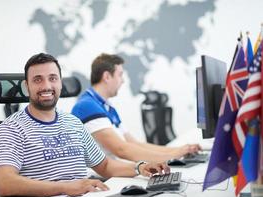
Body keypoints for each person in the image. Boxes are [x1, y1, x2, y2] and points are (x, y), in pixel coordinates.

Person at [0, 53, 170, 197]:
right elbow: (5, 183)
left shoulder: (73, 123)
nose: (46, 86)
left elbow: (105, 165)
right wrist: (65, 187)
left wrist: (140, 167)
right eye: (37, 80)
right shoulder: (11, 128)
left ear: (60, 83)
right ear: (26, 86)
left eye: (52, 78)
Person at [72, 53, 202, 163]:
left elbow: (133, 143)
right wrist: (172, 156)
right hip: (101, 180)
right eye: (120, 75)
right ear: (106, 77)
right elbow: (121, 150)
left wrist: (178, 150)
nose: (122, 80)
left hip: (113, 174)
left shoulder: (107, 106)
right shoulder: (86, 106)